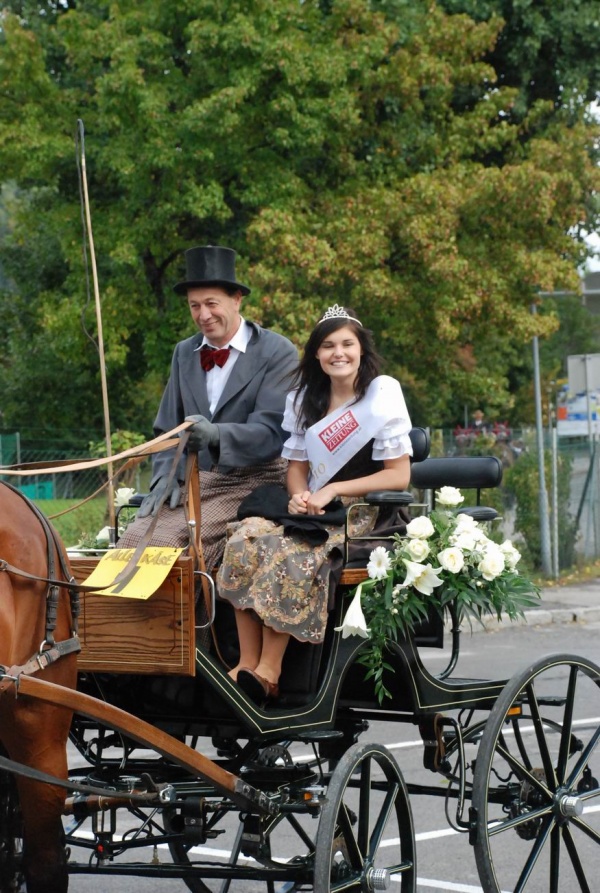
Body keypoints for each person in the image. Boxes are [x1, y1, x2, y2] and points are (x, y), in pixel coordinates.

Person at [217, 304, 413, 705]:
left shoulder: (381, 398)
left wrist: (334, 490)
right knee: (246, 537)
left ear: (361, 350)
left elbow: (398, 476)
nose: (337, 353)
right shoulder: (305, 399)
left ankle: (271, 671)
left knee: (293, 550)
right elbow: (296, 467)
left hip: (364, 514)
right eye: (328, 346)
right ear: (316, 355)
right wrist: (300, 493)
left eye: (346, 344)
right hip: (312, 511)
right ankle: (246, 664)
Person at [118, 245, 298, 572]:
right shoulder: (184, 352)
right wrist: (163, 479)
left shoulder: (277, 351)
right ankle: (120, 622)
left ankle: (187, 623)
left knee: (169, 544)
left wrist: (217, 435)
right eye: (194, 305)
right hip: (194, 482)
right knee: (131, 539)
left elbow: (273, 432)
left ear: (237, 300)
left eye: (212, 304)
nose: (203, 315)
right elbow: (166, 430)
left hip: (253, 480)